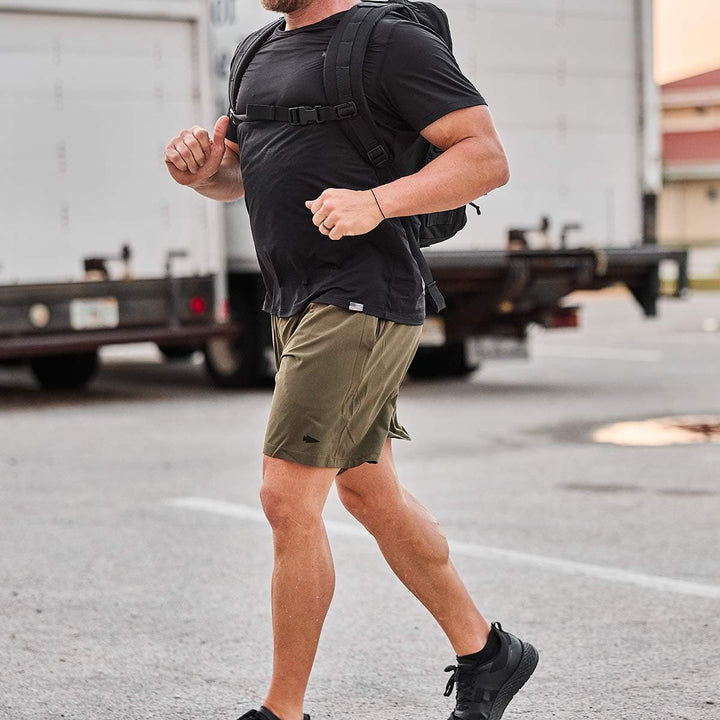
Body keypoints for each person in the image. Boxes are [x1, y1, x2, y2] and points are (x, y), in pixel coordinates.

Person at [164, 2, 538, 719]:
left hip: (361, 294)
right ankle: (489, 654)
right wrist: (205, 171)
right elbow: (239, 177)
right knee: (368, 492)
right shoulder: (255, 51)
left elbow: (485, 157)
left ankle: (283, 710)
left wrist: (378, 201)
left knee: (286, 497)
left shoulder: (389, 42)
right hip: (292, 298)